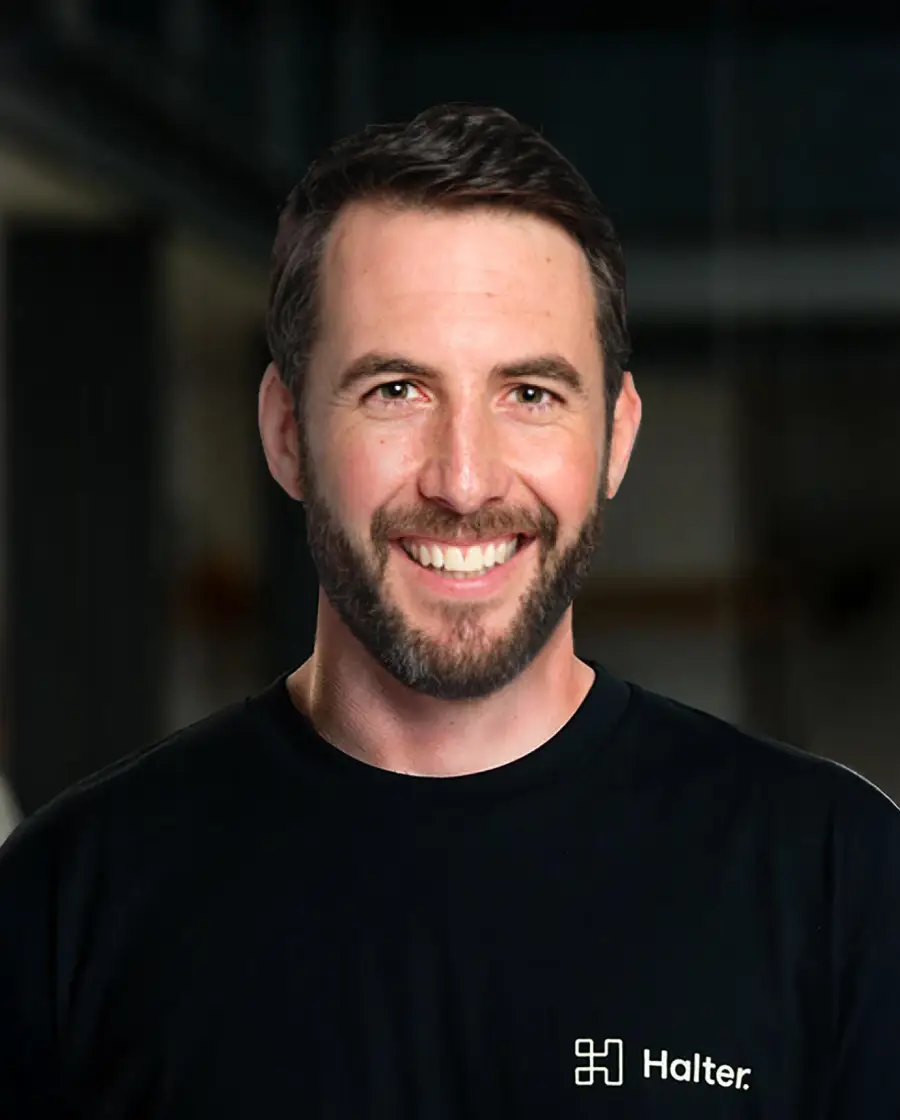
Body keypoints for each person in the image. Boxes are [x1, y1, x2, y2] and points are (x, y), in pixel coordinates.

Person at [0, 103, 898, 1119]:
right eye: (396, 390)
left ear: (616, 438)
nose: (465, 481)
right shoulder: (68, 906)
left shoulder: (835, 881)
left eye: (531, 394)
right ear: (287, 433)